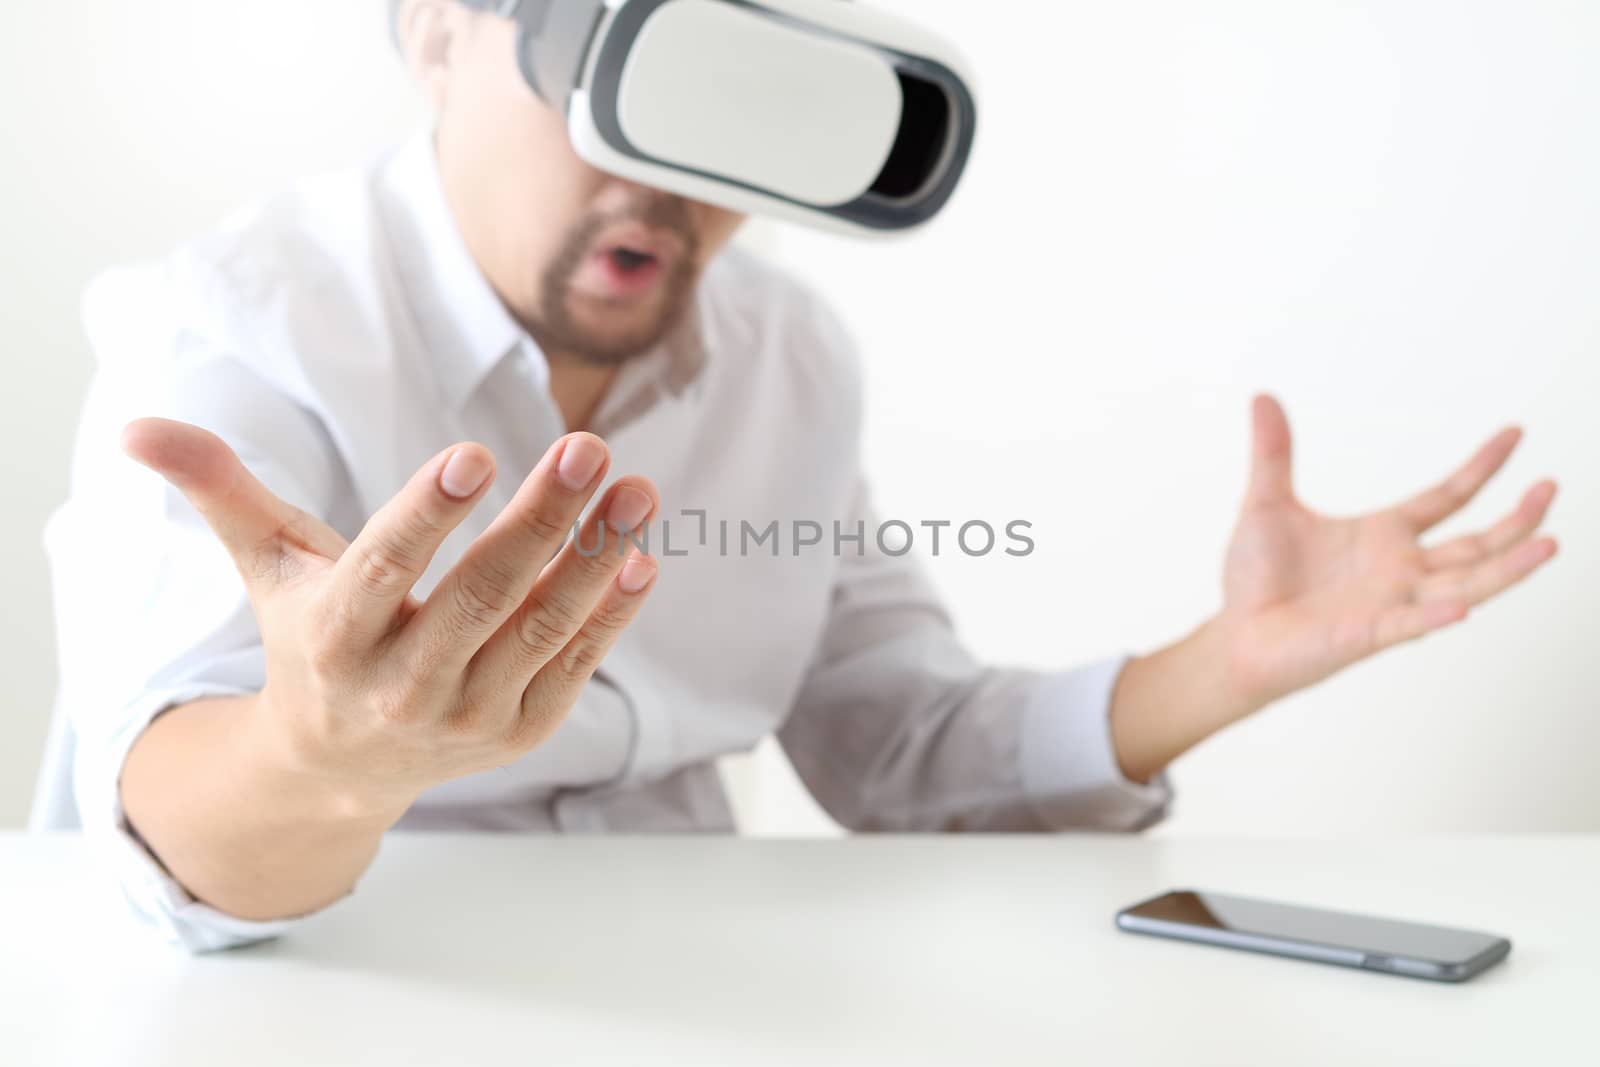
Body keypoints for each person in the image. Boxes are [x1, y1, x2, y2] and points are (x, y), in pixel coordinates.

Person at [45, 0, 1559, 952]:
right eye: (621, 71)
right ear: (437, 32)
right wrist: (327, 755)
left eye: (737, 103)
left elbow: (898, 749)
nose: (666, 172)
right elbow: (166, 822)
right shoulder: (239, 325)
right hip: (345, 986)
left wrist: (1223, 663)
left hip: (712, 991)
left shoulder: (786, 352)